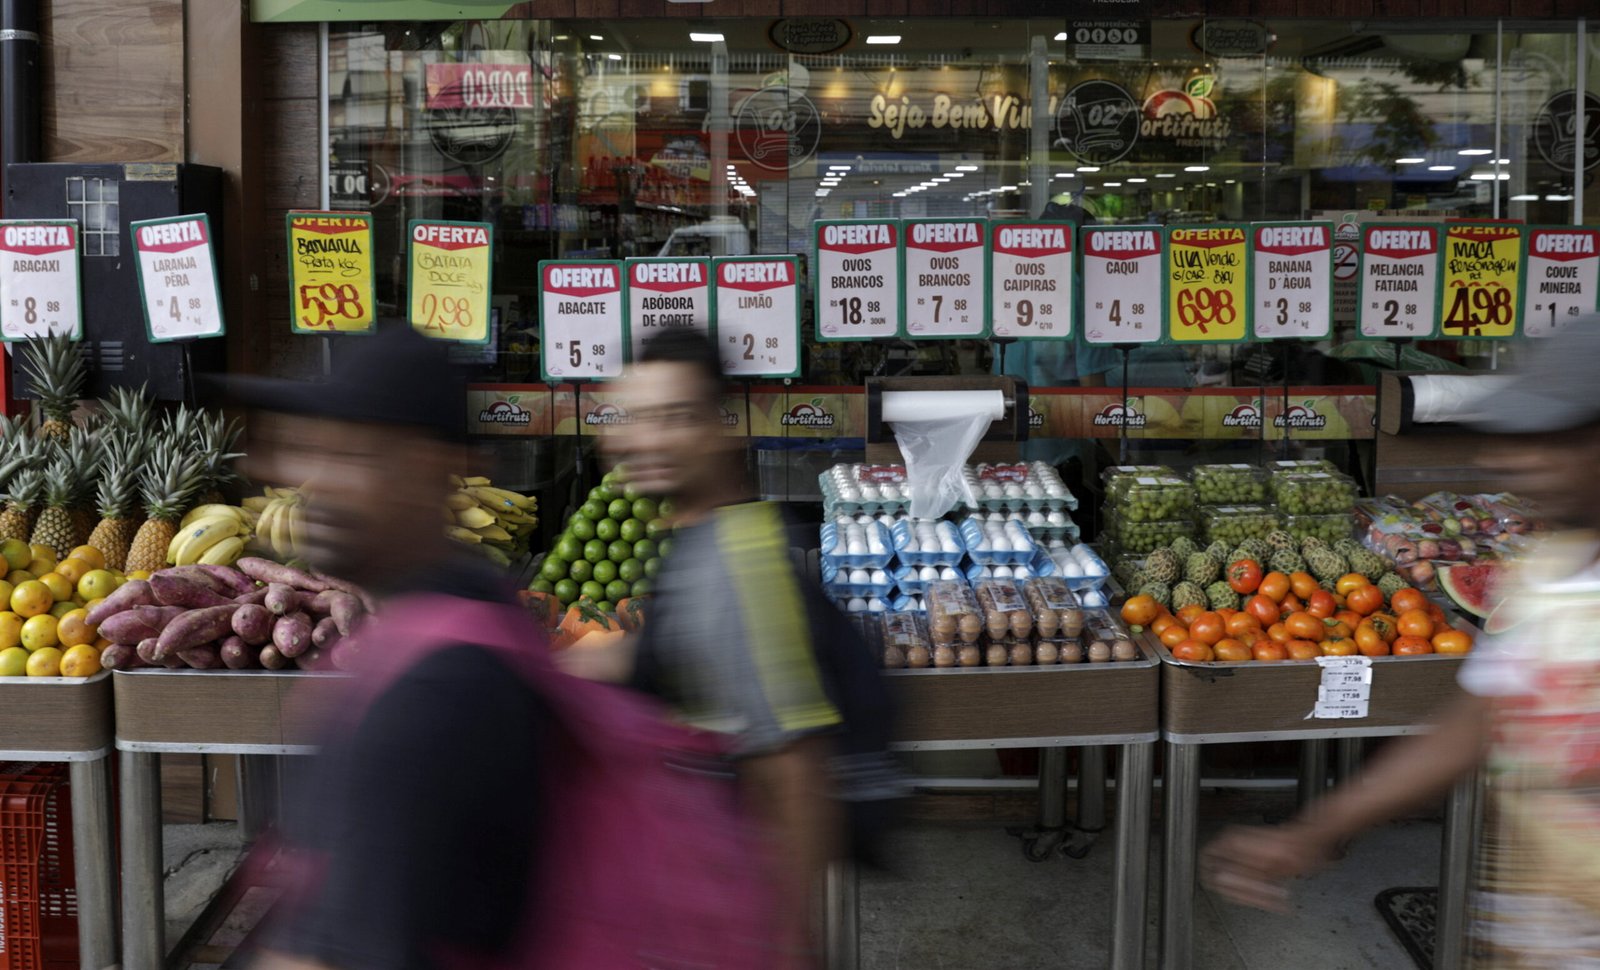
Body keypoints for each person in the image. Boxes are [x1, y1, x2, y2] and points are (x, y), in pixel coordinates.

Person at [1202, 319, 1600, 967]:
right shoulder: (1548, 572)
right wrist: (1312, 832)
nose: (1512, 460)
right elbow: (1476, 722)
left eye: (1554, 440)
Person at [236, 325, 555, 970]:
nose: (312, 486)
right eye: (307, 450)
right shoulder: (461, 607)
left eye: (352, 457)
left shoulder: (433, 695)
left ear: (429, 471)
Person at [577, 327, 896, 969]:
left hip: (733, 919)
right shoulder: (694, 541)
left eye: (675, 418)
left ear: (720, 431)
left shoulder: (741, 565)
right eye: (633, 418)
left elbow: (796, 769)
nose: (646, 439)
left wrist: (783, 947)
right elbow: (678, 662)